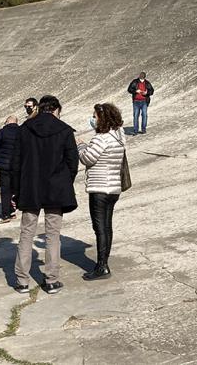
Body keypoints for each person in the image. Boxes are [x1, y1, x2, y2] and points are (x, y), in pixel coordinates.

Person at [12, 95, 78, 295]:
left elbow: (15, 163)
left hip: (30, 188)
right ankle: (51, 280)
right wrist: (65, 181)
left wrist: (16, 190)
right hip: (55, 188)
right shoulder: (65, 130)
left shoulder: (24, 129)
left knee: (26, 234)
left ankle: (22, 281)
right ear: (56, 109)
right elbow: (72, 162)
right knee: (52, 235)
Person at [77, 103, 125, 280]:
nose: (93, 119)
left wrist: (80, 146)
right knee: (107, 225)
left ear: (102, 118)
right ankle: (104, 261)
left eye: (95, 116)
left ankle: (102, 266)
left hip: (99, 188)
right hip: (113, 188)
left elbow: (87, 158)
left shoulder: (101, 139)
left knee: (99, 228)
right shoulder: (119, 137)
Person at [0, 115, 20, 223]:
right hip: (17, 165)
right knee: (14, 188)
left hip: (5, 165)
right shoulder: (22, 131)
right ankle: (12, 210)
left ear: (7, 122)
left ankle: (5, 214)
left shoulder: (2, 131)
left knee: (5, 190)